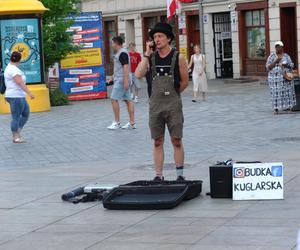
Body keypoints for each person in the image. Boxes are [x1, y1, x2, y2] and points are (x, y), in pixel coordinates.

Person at [135, 22, 189, 181]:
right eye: (154, 37)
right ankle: (158, 175)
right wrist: (146, 55)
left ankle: (179, 175)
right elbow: (138, 74)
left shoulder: (178, 57)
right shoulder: (150, 58)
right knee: (157, 141)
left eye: (160, 36)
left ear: (169, 39)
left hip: (173, 104)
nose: (156, 40)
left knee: (176, 140)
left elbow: (185, 82)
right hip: (155, 105)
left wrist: (173, 95)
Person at [4, 51, 35, 143]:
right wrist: (30, 93)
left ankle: (18, 131)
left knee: (26, 113)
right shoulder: (14, 70)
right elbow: (20, 83)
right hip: (15, 96)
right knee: (16, 117)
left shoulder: (10, 67)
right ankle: (15, 137)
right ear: (20, 60)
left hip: (18, 95)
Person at [107, 36, 136, 130]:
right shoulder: (121, 53)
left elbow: (126, 67)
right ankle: (132, 123)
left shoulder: (122, 53)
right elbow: (119, 67)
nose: (112, 45)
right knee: (128, 100)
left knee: (113, 99)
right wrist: (112, 77)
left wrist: (126, 82)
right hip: (121, 79)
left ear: (116, 43)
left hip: (122, 80)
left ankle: (117, 122)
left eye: (112, 43)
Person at [266, 41, 296, 114]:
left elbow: (292, 66)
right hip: (274, 80)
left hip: (286, 78)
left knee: (288, 93)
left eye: (279, 46)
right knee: (275, 94)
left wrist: (287, 65)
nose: (278, 48)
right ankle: (276, 109)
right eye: (276, 47)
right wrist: (275, 61)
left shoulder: (286, 56)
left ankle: (289, 107)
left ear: (282, 47)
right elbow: (268, 67)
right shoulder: (272, 56)